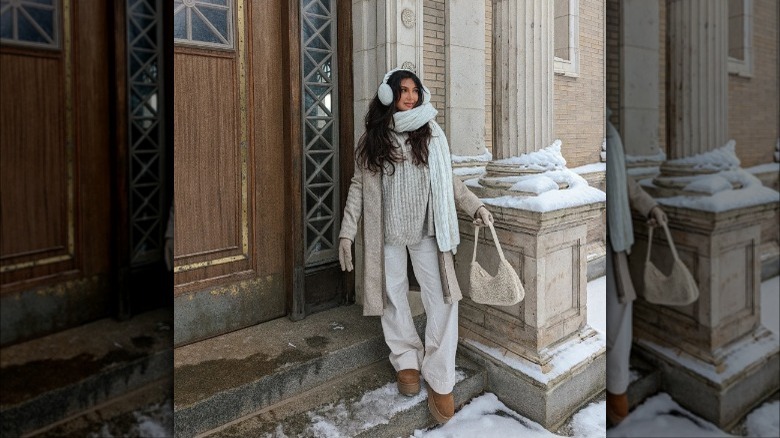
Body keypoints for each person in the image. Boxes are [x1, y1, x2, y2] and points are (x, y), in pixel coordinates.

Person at [338, 68, 493, 424]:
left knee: (441, 296)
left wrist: (475, 205)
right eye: (402, 90)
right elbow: (358, 187)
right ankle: (406, 358)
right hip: (387, 231)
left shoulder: (432, 132)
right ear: (388, 96)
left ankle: (440, 375)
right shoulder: (374, 138)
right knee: (392, 294)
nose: (409, 96)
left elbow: (449, 179)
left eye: (414, 91)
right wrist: (348, 231)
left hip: (428, 228)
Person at [605, 108, 668, 425]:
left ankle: (615, 388)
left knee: (619, 315)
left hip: (615, 241)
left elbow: (623, 180)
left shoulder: (610, 131)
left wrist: (649, 206)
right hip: (596, 238)